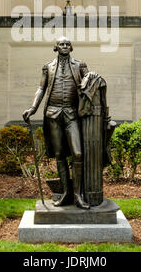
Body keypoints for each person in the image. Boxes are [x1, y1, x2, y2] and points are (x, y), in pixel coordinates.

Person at [22, 36, 94, 210]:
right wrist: (33, 108)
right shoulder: (48, 67)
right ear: (56, 47)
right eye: (61, 44)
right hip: (53, 114)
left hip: (72, 114)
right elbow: (41, 88)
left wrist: (91, 79)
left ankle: (78, 195)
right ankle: (65, 193)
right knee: (60, 154)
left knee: (77, 153)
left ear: (71, 47)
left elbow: (89, 86)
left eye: (67, 44)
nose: (64, 46)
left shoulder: (80, 66)